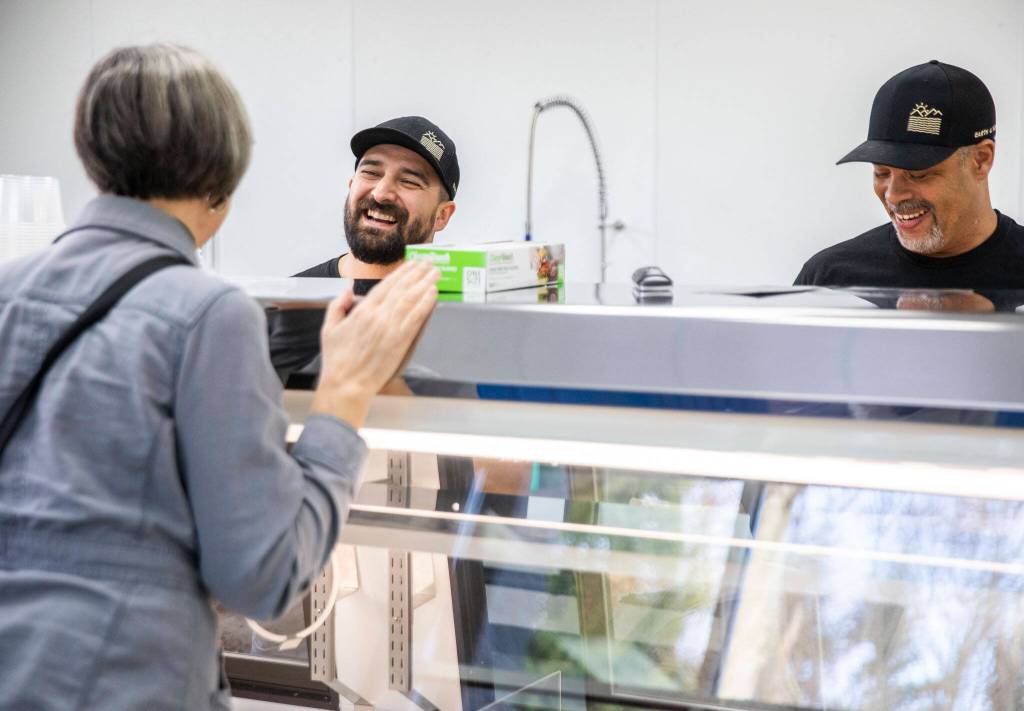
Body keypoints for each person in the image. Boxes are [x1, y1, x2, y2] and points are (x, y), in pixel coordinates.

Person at [0, 44, 439, 710]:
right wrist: (345, 395)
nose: (381, 191)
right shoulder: (209, 315)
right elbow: (262, 579)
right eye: (370, 171)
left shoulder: (9, 292)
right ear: (222, 184)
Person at [795, 60, 1024, 290]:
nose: (893, 196)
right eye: (881, 172)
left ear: (981, 160)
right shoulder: (829, 279)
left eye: (918, 174)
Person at [268, 116, 459, 384]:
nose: (381, 193)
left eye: (409, 181)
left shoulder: (458, 313)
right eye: (370, 173)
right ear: (351, 186)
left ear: (443, 216)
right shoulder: (294, 303)